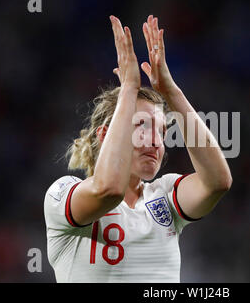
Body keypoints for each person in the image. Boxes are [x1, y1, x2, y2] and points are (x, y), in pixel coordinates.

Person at [44, 14, 232, 282]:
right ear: (106, 135)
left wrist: (172, 93)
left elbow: (217, 182)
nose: (155, 141)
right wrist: (129, 88)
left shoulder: (164, 195)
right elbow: (108, 190)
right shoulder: (61, 196)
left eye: (162, 131)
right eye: (142, 126)